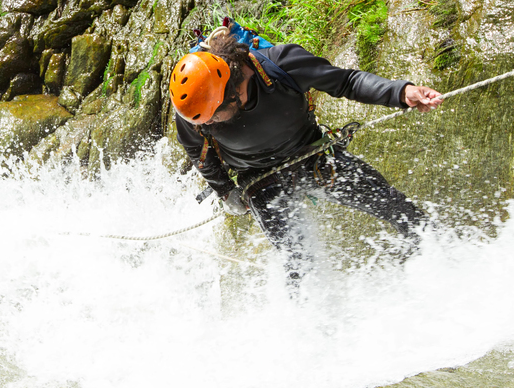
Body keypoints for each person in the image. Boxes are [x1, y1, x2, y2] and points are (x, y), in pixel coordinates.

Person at [170, 29, 443, 280]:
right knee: (298, 265)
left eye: (214, 116)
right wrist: (226, 191)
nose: (207, 124)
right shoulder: (195, 109)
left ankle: (442, 257)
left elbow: (347, 81)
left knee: (395, 206)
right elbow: (198, 151)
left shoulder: (281, 65)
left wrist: (401, 92)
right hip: (258, 180)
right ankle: (308, 321)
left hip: (312, 154)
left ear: (237, 88)